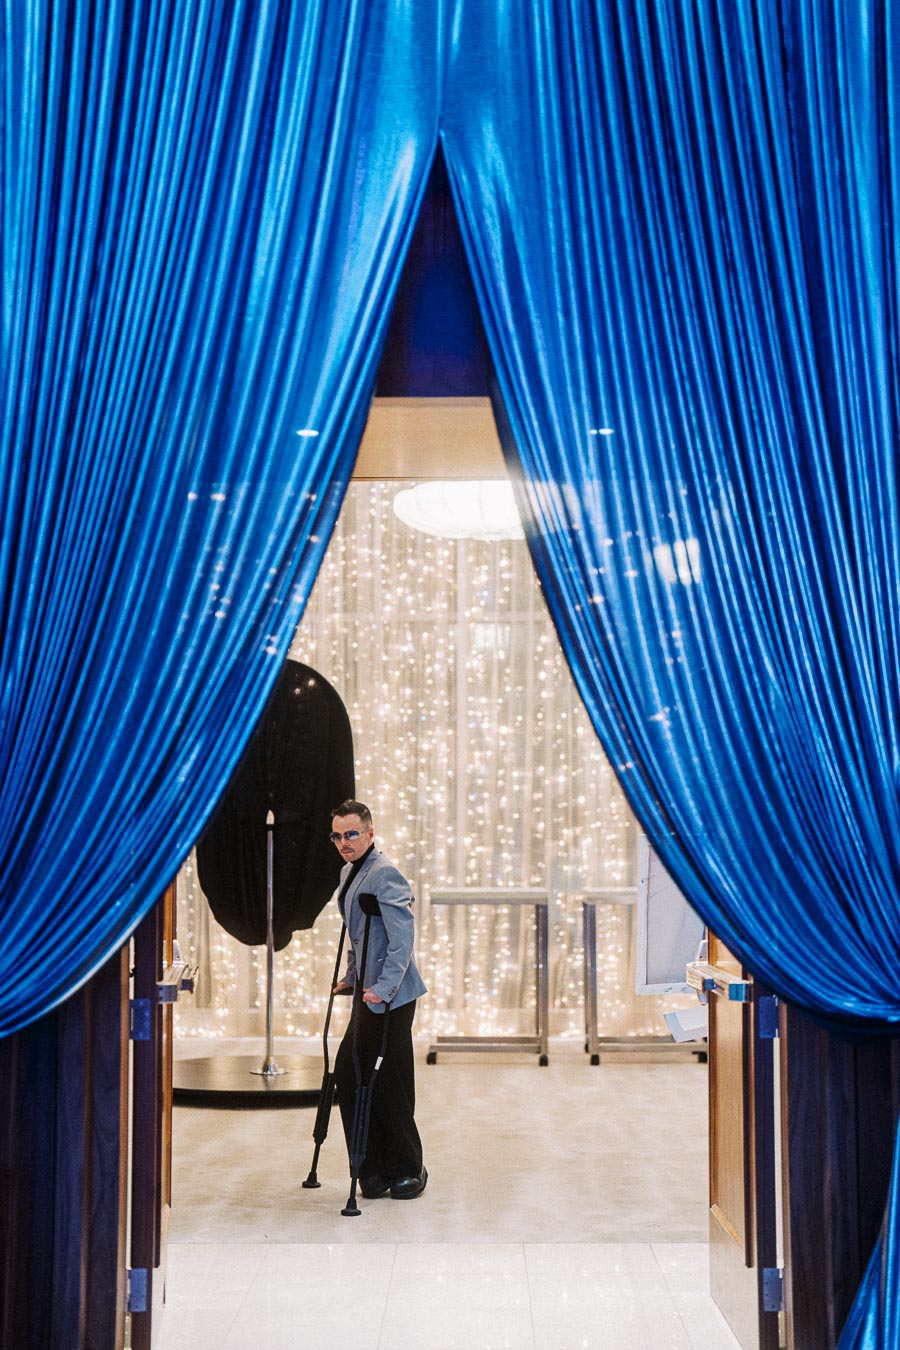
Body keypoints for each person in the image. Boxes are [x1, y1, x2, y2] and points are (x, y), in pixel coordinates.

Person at [330, 799, 428, 1199]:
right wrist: (352, 978)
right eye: (336, 835)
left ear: (370, 833)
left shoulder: (386, 874)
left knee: (388, 1079)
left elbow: (401, 939)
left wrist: (383, 989)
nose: (343, 842)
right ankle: (371, 1167)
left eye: (351, 834)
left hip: (392, 995)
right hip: (368, 990)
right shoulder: (349, 871)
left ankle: (408, 1167)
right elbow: (361, 933)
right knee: (352, 1073)